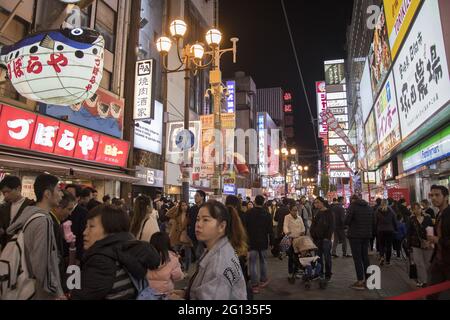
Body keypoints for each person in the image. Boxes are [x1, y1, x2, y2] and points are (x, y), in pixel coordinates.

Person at [71, 205, 160, 300]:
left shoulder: (101, 261)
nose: (85, 232)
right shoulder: (123, 252)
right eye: (86, 226)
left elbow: (79, 295)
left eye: (91, 226)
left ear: (111, 230)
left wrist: (71, 271)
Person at [6, 174, 64, 299]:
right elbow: (41, 265)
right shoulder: (43, 221)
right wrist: (57, 291)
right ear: (47, 194)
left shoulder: (29, 216)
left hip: (23, 285)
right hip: (38, 292)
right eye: (58, 190)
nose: (62, 194)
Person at [179, 200, 247, 300]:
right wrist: (185, 293)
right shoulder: (219, 247)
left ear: (222, 226)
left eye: (205, 220)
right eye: (198, 219)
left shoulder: (219, 264)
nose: (198, 224)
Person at [345, 194, 376, 291]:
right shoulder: (369, 207)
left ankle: (360, 281)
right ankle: (368, 279)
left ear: (352, 200)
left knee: (357, 258)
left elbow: (346, 221)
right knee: (365, 257)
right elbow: (373, 221)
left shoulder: (352, 207)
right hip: (366, 235)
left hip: (355, 236)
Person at [245, 195, 273, 294]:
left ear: (255, 202)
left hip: (251, 242)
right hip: (263, 241)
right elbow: (270, 230)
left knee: (252, 263)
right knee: (263, 261)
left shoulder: (248, 213)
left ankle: (254, 285)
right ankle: (263, 280)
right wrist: (272, 242)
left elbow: (245, 228)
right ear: (263, 202)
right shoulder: (267, 214)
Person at [225, 195, 252, 299]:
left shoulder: (221, 215)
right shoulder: (242, 215)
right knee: (240, 271)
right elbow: (246, 233)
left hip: (226, 249)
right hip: (238, 248)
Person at [51, 190, 77, 292]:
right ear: (57, 207)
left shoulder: (56, 224)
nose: (70, 213)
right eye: (69, 209)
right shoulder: (51, 224)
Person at [427, 185, 450, 300]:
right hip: (439, 261)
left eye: (437, 195)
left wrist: (438, 240)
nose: (434, 198)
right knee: (431, 294)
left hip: (447, 263)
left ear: (446, 197)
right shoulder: (439, 214)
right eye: (432, 195)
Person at [0, 176, 34, 250]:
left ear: (18, 188)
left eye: (8, 191)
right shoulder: (3, 208)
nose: (6, 195)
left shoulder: (31, 206)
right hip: (6, 249)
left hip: (23, 249)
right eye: (3, 193)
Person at [147, 232, 184, 297]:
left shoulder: (146, 256)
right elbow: (177, 276)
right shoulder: (172, 258)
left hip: (147, 292)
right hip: (166, 294)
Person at [407, 203, 434, 288]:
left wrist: (430, 242)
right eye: (415, 209)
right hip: (415, 244)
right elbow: (409, 233)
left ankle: (429, 280)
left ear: (421, 209)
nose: (417, 210)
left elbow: (432, 230)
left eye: (418, 208)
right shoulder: (411, 219)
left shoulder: (427, 218)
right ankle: (423, 281)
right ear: (412, 210)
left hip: (428, 243)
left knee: (428, 263)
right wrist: (409, 246)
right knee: (419, 263)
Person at [310, 197, 334, 282]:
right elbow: (313, 224)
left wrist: (327, 238)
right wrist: (313, 234)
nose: (316, 204)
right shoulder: (317, 212)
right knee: (318, 257)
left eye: (317, 202)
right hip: (317, 239)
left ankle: (328, 275)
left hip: (325, 240)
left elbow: (331, 227)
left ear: (322, 203)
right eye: (315, 203)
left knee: (327, 258)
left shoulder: (329, 212)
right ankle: (319, 273)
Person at [166, 200, 193, 273]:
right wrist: (175, 206)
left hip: (186, 236)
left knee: (188, 255)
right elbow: (168, 214)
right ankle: (181, 267)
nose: (184, 207)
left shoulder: (190, 214)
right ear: (180, 206)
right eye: (182, 205)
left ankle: (186, 270)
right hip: (177, 236)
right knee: (175, 253)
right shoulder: (177, 214)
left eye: (185, 205)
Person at [65, 184, 88, 263]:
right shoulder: (61, 210)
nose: (67, 196)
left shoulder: (83, 213)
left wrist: (77, 257)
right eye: (65, 193)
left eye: (70, 194)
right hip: (63, 255)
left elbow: (82, 237)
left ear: (78, 198)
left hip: (75, 256)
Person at [284, 202, 306, 278]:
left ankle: (296, 271)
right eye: (293, 210)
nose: (295, 212)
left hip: (298, 239)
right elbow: (285, 226)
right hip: (291, 239)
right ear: (290, 210)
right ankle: (290, 271)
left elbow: (303, 227)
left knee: (297, 256)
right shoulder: (287, 217)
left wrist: (303, 231)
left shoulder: (299, 218)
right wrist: (287, 232)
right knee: (291, 255)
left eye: (296, 210)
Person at [376, 199, 398, 266]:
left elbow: (375, 221)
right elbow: (394, 221)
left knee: (381, 245)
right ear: (388, 203)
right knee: (389, 246)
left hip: (381, 230)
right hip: (390, 230)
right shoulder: (391, 211)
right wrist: (396, 228)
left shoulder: (377, 211)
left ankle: (382, 257)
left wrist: (377, 228)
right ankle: (388, 261)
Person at [187, 190, 206, 261]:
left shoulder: (206, 208)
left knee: (199, 253)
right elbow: (190, 220)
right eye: (195, 195)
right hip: (193, 233)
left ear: (202, 197)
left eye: (197, 195)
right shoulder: (192, 208)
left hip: (203, 233)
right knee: (197, 252)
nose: (195, 197)